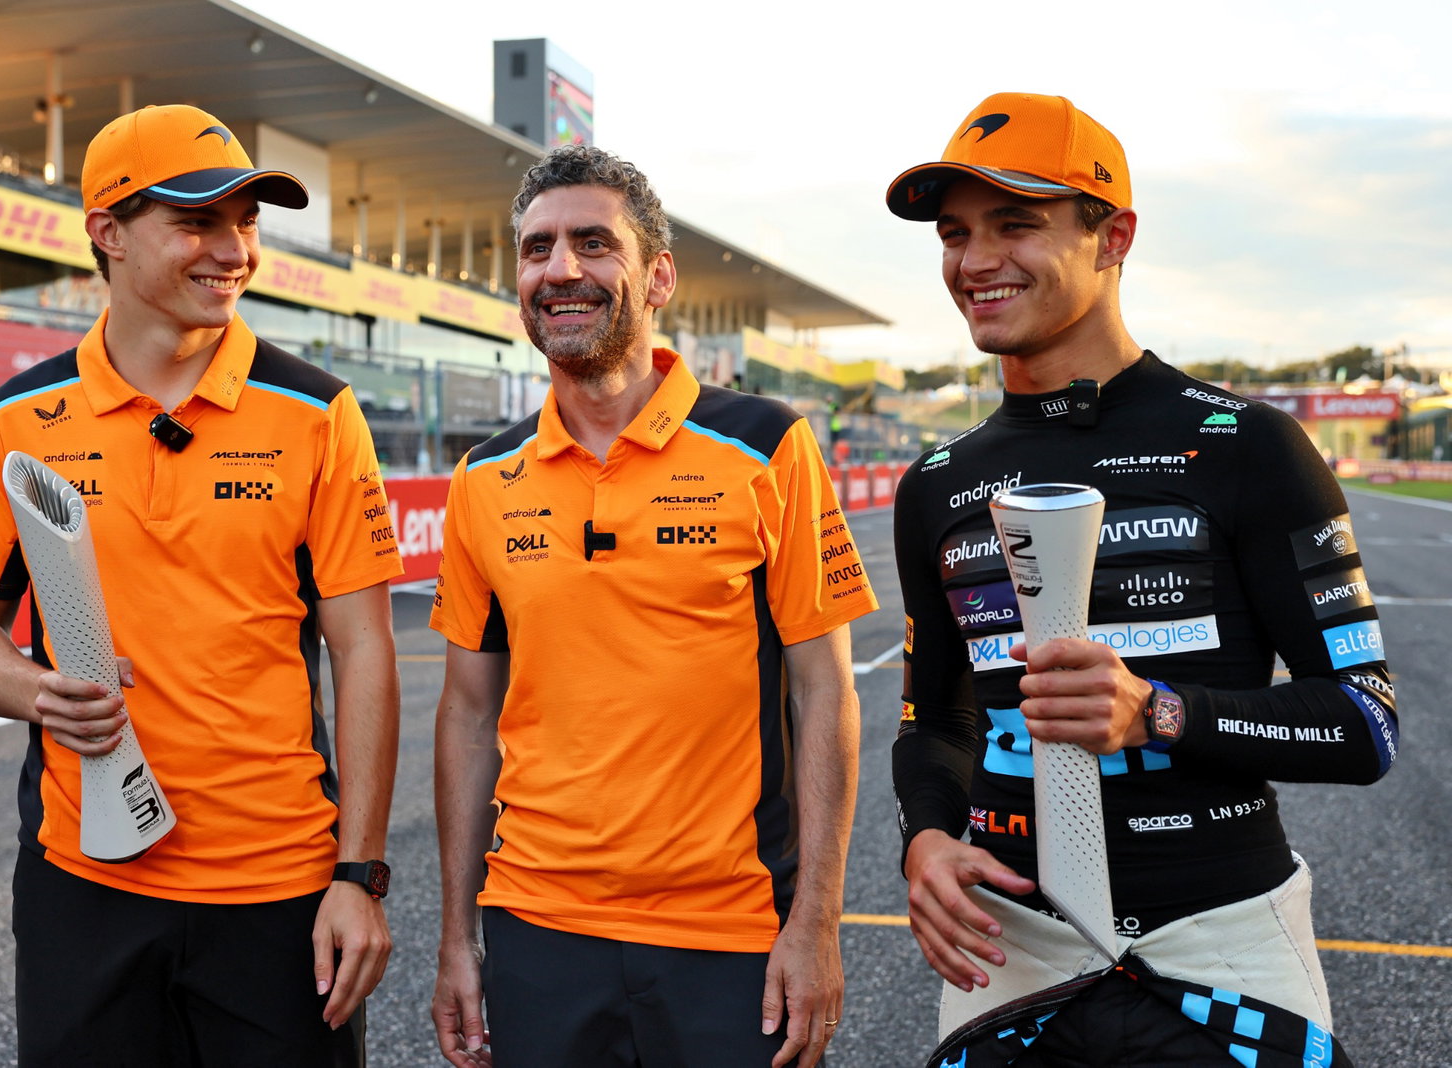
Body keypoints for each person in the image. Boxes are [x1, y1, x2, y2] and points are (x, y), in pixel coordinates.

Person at [885, 93, 1397, 1063]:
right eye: (954, 234)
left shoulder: (1246, 446)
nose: (973, 260)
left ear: (1112, 237)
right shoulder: (936, 484)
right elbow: (937, 723)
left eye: (1015, 224)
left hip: (1223, 952)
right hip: (1010, 960)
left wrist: (1161, 711)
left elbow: (1364, 721)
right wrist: (925, 837)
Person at [0, 104, 402, 1066]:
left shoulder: (318, 414)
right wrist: (37, 691)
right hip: (85, 882)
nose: (232, 250)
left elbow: (364, 650)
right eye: (196, 221)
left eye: (247, 222)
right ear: (106, 230)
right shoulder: (16, 418)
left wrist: (359, 872)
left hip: (280, 890)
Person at [429, 144, 879, 1068]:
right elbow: (470, 715)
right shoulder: (482, 478)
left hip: (731, 931)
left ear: (658, 274)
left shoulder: (767, 445)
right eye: (537, 249)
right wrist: (453, 939)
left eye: (594, 244)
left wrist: (819, 922)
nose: (561, 270)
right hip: (538, 928)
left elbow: (825, 693)